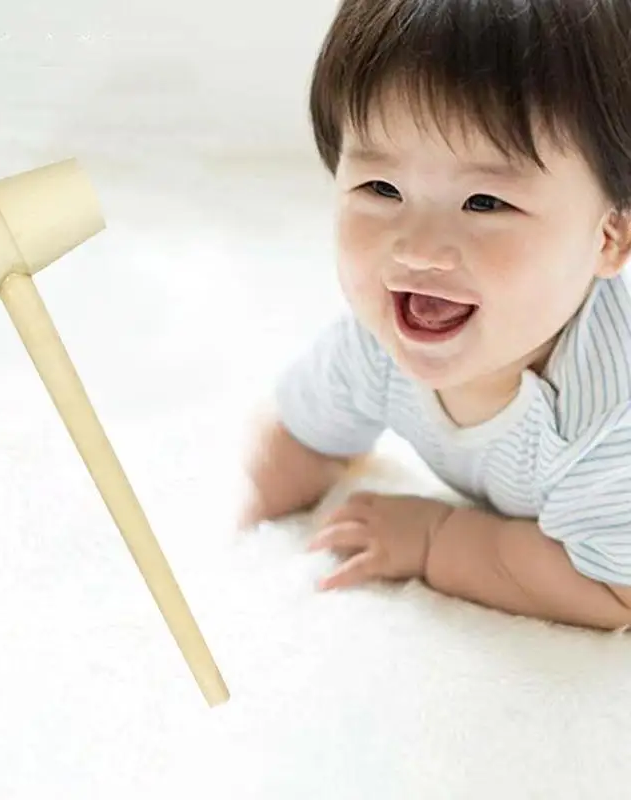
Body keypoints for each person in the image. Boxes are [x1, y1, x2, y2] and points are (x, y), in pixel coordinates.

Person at [239, 0, 631, 630]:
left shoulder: (609, 420)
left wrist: (437, 540)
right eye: (381, 189)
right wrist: (229, 521)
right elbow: (296, 442)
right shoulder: (372, 347)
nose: (418, 251)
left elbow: (615, 590)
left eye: (485, 202)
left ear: (610, 237)